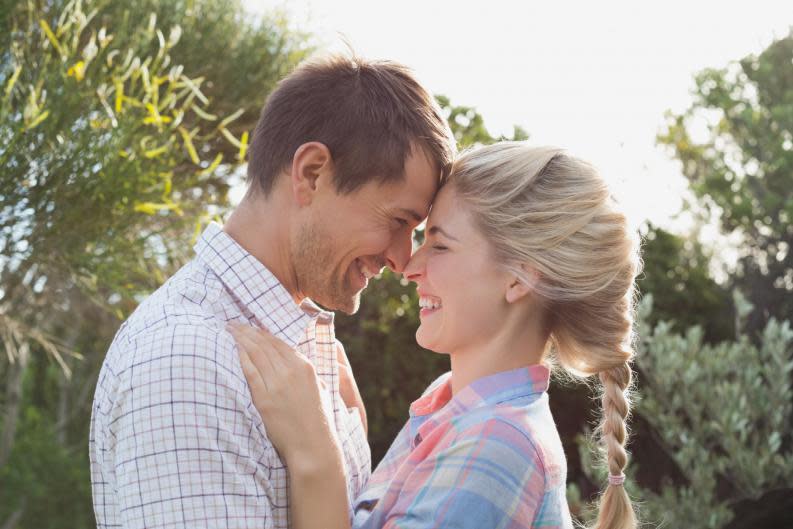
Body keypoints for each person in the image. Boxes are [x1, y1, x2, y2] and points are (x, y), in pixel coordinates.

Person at [88, 54, 456, 529]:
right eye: (398, 222)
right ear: (312, 173)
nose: (402, 260)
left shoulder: (302, 350)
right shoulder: (186, 359)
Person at [230, 142, 642, 529]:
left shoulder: (498, 444)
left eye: (440, 245)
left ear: (518, 279)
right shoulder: (452, 408)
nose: (409, 267)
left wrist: (315, 453)